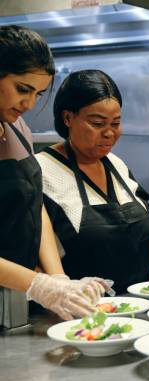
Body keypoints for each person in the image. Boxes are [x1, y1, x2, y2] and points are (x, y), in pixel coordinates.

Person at [0, 26, 109, 321]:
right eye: (23, 89)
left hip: (16, 305)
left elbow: (33, 207)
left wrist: (58, 279)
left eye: (38, 93)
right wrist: (38, 284)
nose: (30, 104)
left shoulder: (18, 129)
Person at [36, 70, 149, 294]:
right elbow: (29, 254)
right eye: (98, 123)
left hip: (139, 305)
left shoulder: (116, 164)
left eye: (116, 123)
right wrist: (59, 286)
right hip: (80, 314)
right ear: (68, 118)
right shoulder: (41, 171)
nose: (109, 133)